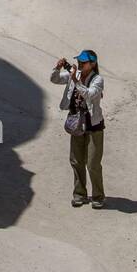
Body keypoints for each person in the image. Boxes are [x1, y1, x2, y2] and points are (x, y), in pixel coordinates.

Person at [51, 50, 105, 207]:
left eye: (84, 62)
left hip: (94, 127)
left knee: (93, 163)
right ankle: (79, 194)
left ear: (93, 64)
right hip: (77, 125)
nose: (80, 64)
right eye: (79, 61)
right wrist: (57, 68)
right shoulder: (74, 74)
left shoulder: (98, 79)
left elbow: (90, 94)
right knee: (76, 161)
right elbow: (54, 79)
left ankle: (98, 196)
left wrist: (76, 80)